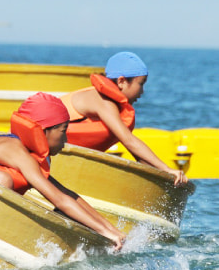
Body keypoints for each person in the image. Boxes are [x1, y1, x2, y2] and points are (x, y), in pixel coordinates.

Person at [0, 92, 126, 250]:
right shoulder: (15, 150)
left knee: (7, 180)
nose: (66, 140)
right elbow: (57, 199)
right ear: (43, 131)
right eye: (63, 130)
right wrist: (104, 232)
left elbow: (66, 194)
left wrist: (111, 230)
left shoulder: (29, 153)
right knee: (2, 180)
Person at [59, 51, 188, 186]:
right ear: (121, 81)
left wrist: (165, 177)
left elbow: (139, 156)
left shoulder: (111, 105)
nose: (142, 91)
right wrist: (166, 168)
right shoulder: (102, 101)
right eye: (141, 84)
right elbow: (128, 141)